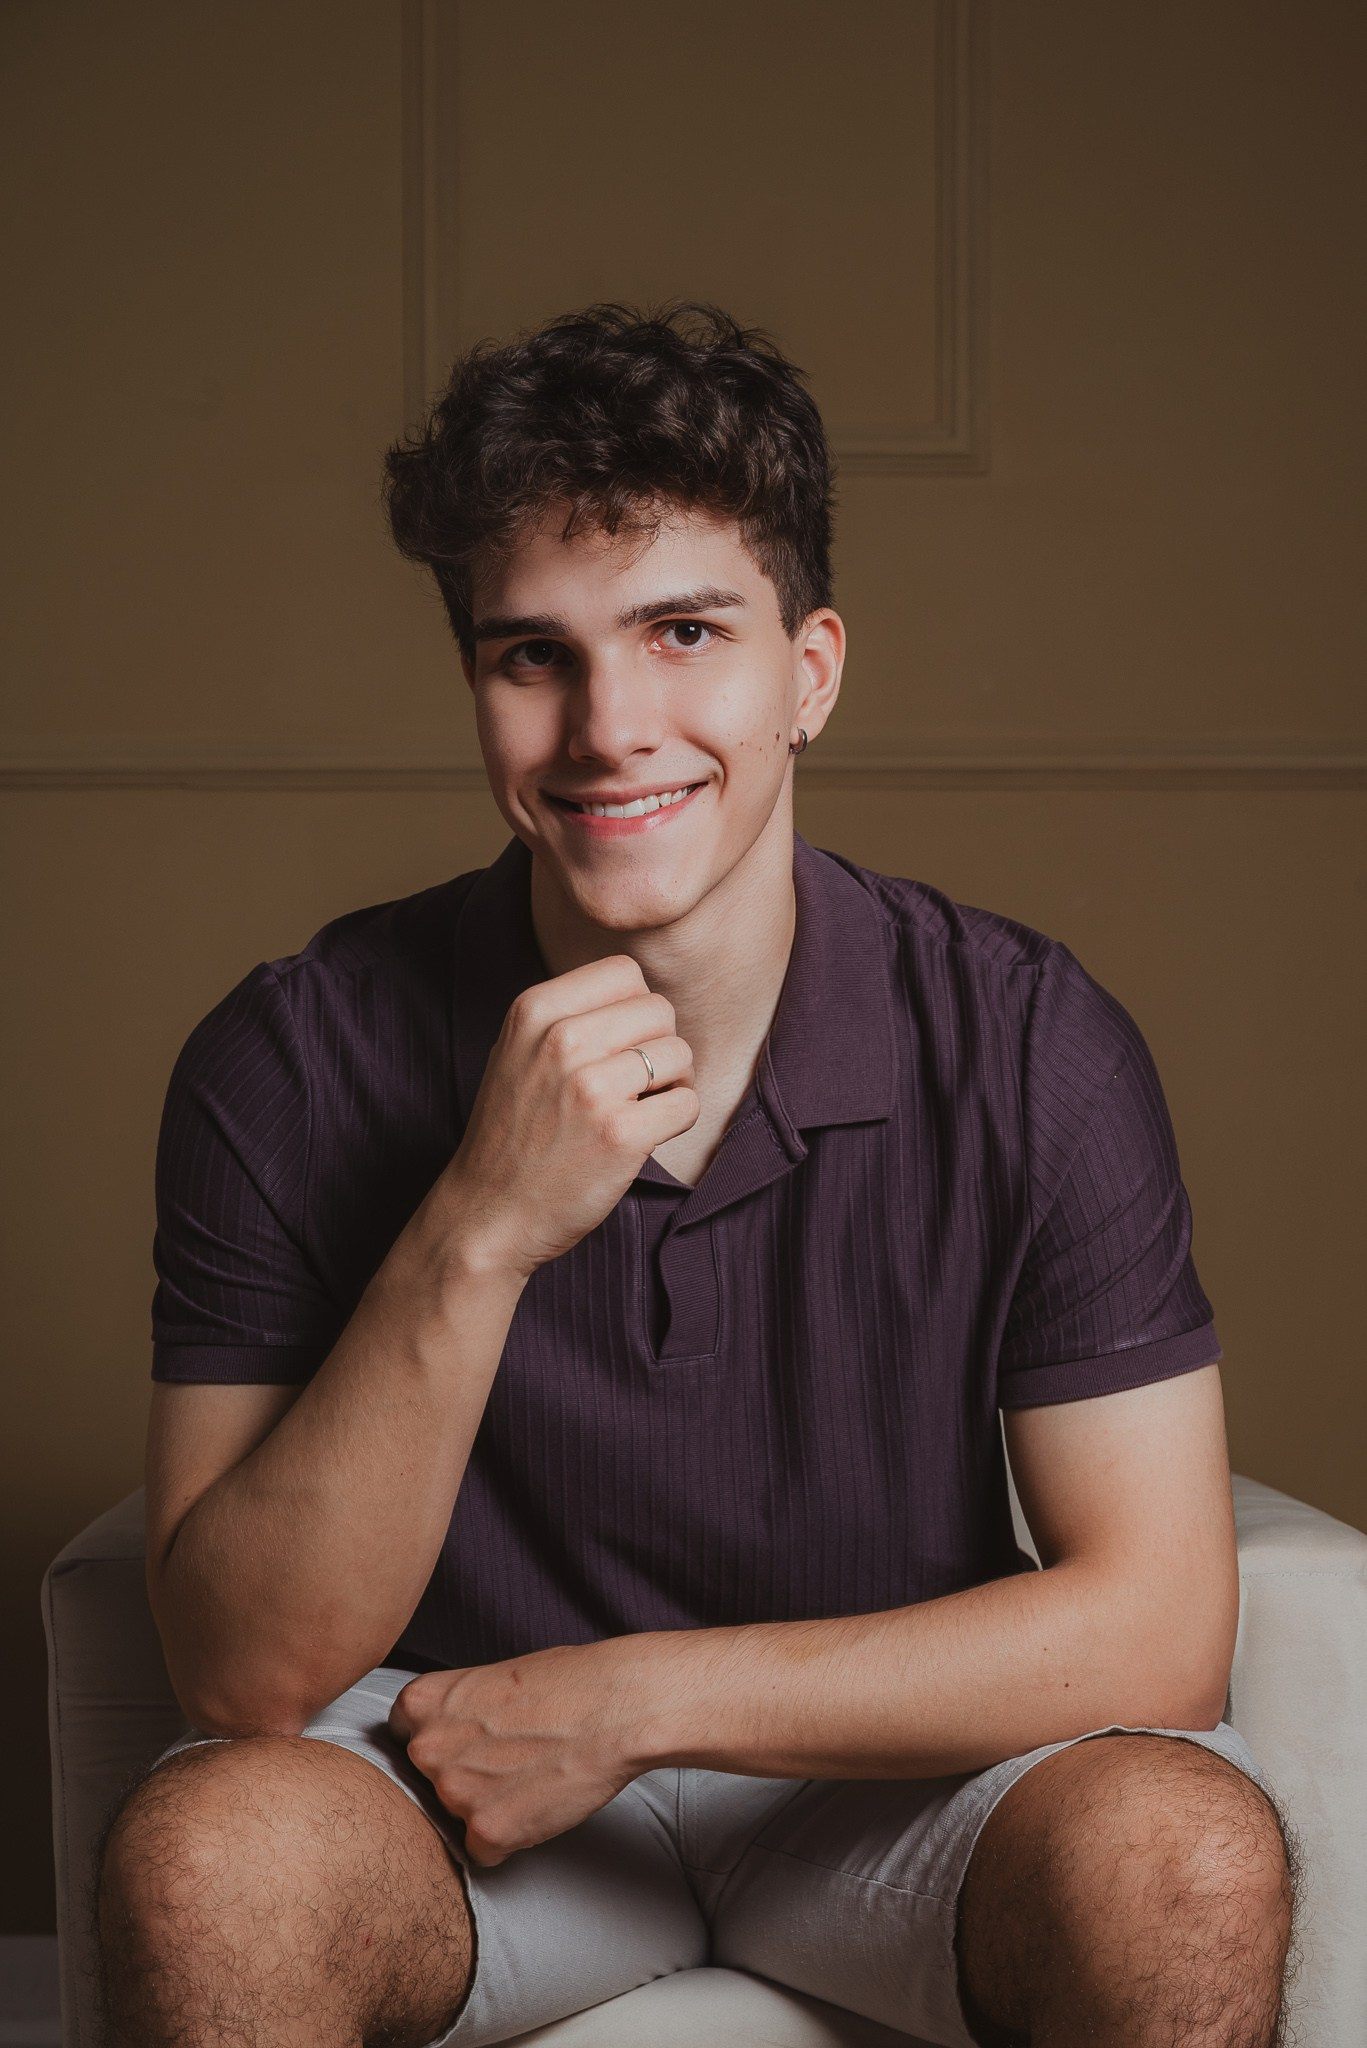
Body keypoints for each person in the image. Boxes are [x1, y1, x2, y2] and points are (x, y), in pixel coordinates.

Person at [96, 304, 1297, 2048]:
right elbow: (240, 1668)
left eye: (683, 632)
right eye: (535, 655)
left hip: (884, 1790)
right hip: (452, 1780)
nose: (609, 726)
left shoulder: (1034, 1041)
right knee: (207, 1864)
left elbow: (1164, 1623)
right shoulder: (291, 1051)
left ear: (809, 671)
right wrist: (477, 1229)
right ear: (478, 690)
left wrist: (634, 1701)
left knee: (1184, 1853)